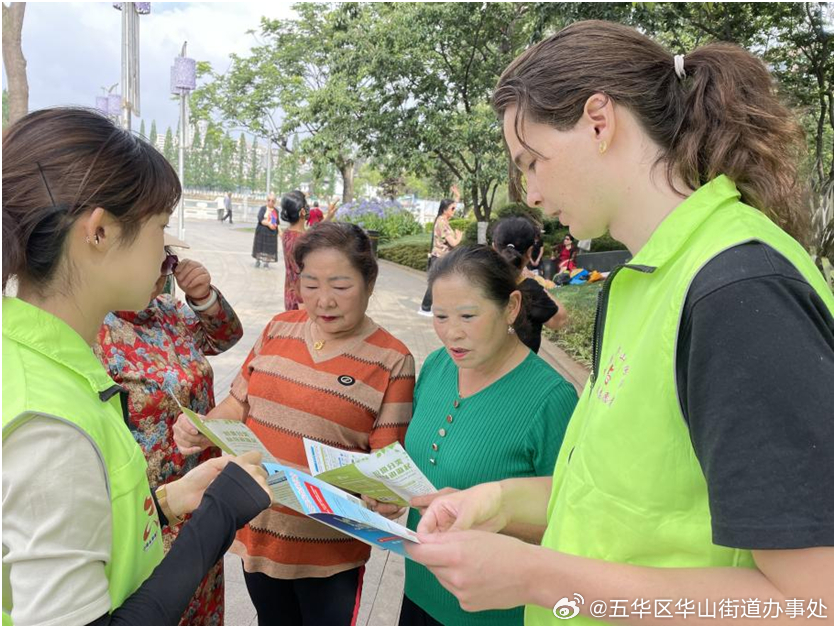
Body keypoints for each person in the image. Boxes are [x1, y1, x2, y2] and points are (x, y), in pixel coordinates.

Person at [407, 20, 834, 626]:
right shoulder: (642, 282)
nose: (528, 191)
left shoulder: (738, 289)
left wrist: (537, 577)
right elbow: (617, 497)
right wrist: (497, 500)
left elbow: (812, 602)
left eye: (531, 161)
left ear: (599, 121)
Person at [2, 107, 271, 626]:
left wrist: (168, 500)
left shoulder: (46, 361)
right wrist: (219, 513)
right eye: (160, 227)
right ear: (99, 231)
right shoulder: (48, 425)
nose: (166, 254)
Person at [173, 222, 416, 626]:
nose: (324, 301)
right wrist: (201, 428)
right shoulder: (278, 328)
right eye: (311, 283)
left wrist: (387, 496)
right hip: (259, 528)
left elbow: (387, 456)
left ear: (369, 282)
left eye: (340, 286)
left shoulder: (393, 359)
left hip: (330, 552)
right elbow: (239, 403)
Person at [401, 245, 578, 626]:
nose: (452, 333)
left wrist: (484, 513)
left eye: (467, 316)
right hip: (420, 586)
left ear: (511, 307)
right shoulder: (436, 367)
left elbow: (569, 519)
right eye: (440, 316)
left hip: (494, 608)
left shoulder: (550, 399)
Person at [93, 233, 244, 625]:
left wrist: (204, 296)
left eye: (170, 262)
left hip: (200, 488)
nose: (166, 273)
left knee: (202, 596)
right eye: (159, 262)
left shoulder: (169, 310)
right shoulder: (93, 326)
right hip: (149, 505)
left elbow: (225, 336)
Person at [492, 217, 568, 353]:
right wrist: (534, 281)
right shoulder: (531, 289)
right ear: (529, 252)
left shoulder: (478, 279)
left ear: (493, 247)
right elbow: (559, 320)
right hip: (522, 371)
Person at [418, 192, 463, 317]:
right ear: (444, 210)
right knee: (435, 284)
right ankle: (425, 308)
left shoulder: (441, 219)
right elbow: (453, 243)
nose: (454, 210)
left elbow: (452, 206)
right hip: (440, 258)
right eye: (452, 209)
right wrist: (459, 237)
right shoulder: (442, 222)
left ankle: (435, 307)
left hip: (441, 257)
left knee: (441, 283)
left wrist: (457, 197)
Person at [280, 190, 308, 311]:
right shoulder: (301, 240)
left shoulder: (287, 233)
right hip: (301, 299)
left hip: (289, 294)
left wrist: (328, 217)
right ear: (302, 211)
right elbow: (299, 273)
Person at [253, 194, 279, 268]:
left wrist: (275, 226)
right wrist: (268, 224)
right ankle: (257, 261)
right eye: (269, 200)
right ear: (266, 200)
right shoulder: (263, 208)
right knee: (259, 247)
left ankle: (266, 263)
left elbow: (277, 222)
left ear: (275, 202)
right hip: (261, 231)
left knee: (270, 249)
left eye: (273, 201)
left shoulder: (275, 210)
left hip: (271, 233)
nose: (270, 202)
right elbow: (260, 219)